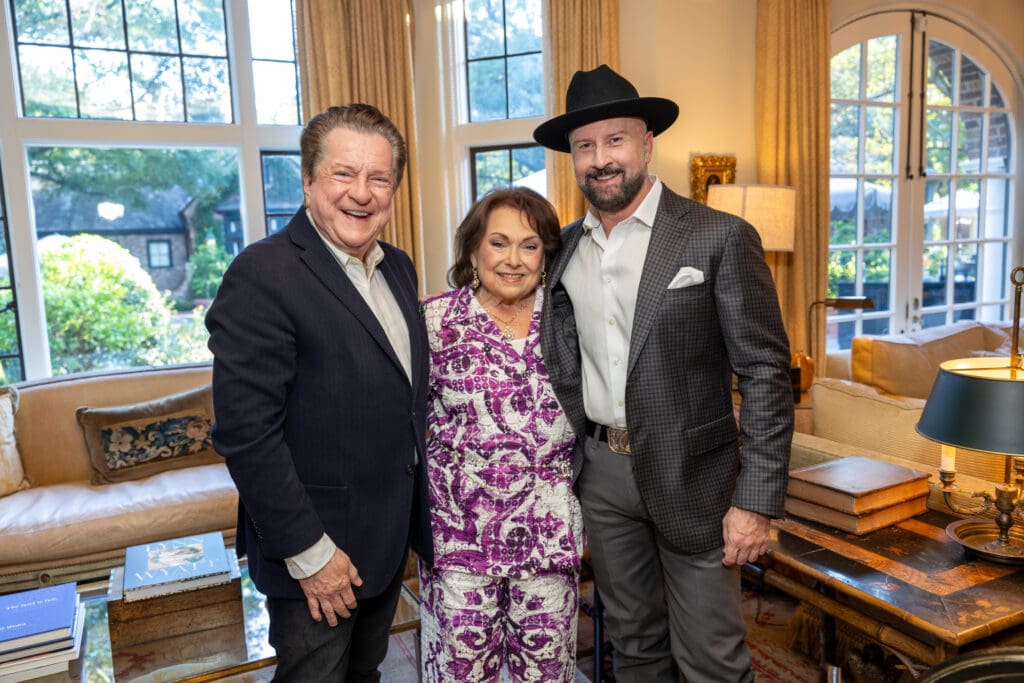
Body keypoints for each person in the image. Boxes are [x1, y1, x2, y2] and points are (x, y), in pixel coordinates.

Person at [534, 65, 794, 682]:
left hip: (697, 478)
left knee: (712, 659)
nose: (601, 159)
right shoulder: (562, 249)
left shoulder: (718, 237)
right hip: (600, 475)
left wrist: (755, 503)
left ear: (648, 143)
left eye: (615, 140)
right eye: (584, 146)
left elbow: (764, 372)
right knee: (634, 647)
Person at [206, 103, 434, 682]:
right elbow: (247, 434)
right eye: (343, 174)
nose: (362, 193)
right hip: (316, 557)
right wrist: (312, 556)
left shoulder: (398, 268)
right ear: (307, 181)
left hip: (383, 543)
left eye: (379, 178)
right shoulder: (263, 274)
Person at [418, 187, 582, 682]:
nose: (513, 260)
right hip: (457, 534)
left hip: (548, 532)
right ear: (473, 249)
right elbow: (401, 422)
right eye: (499, 243)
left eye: (529, 246)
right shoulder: (432, 321)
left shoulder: (569, 321)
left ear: (546, 256)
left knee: (548, 672)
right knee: (461, 671)